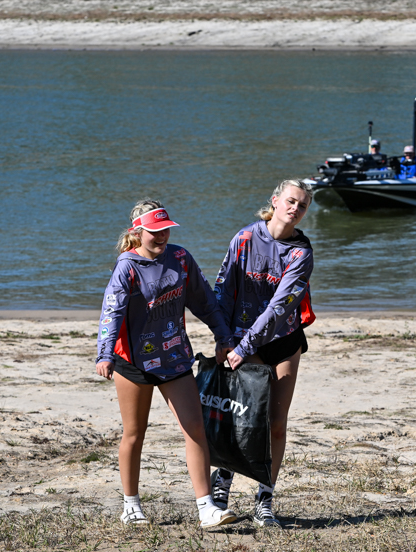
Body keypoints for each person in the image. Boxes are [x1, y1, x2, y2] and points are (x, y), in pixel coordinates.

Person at [96, 200, 238, 529]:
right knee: (134, 433)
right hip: (133, 363)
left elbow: (205, 301)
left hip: (174, 357)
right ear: (137, 232)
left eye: (166, 230)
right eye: (154, 232)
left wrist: (223, 336)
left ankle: (206, 508)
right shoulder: (127, 267)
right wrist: (105, 353)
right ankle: (131, 506)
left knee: (195, 429)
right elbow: (111, 312)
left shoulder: (180, 259)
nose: (161, 237)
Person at [209, 179, 316, 528]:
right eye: (290, 201)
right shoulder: (244, 238)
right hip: (242, 341)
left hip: (282, 341)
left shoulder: (301, 253)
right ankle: (222, 483)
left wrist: (243, 347)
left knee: (276, 424)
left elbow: (279, 308)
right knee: (242, 420)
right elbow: (223, 289)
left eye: (302, 205)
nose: (295, 208)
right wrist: (223, 338)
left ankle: (265, 499)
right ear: (275, 201)